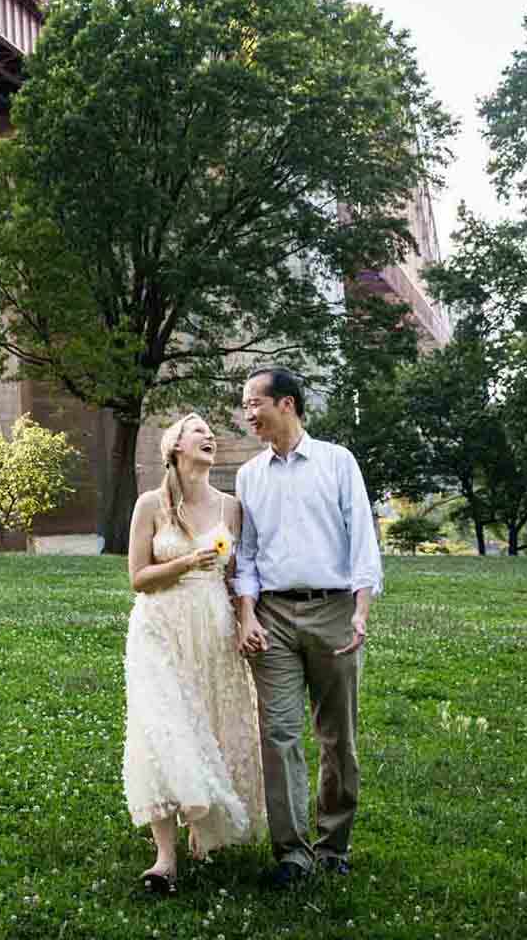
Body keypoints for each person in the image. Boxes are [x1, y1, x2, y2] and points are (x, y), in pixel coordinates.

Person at [231, 367, 383, 890]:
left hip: (334, 609)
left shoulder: (338, 463)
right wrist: (246, 614)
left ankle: (334, 844)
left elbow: (362, 542)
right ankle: (292, 853)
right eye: (245, 404)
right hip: (271, 614)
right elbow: (246, 557)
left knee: (337, 735)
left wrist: (361, 611)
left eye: (255, 403)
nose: (247, 413)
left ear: (287, 404)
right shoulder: (249, 475)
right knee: (278, 735)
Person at [122, 413, 267, 893]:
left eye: (212, 434)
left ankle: (202, 827)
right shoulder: (150, 504)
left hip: (211, 627)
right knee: (162, 728)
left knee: (209, 723)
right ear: (175, 446)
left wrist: (246, 619)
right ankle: (165, 858)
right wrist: (186, 562)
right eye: (198, 431)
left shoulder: (232, 507)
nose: (210, 437)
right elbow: (138, 578)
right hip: (159, 627)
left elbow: (237, 577)